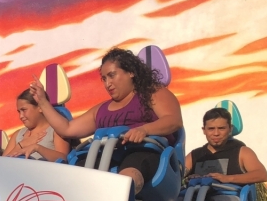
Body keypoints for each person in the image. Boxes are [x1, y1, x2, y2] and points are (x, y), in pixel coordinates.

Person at [27, 47, 183, 191]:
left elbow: (173, 120)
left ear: (130, 72)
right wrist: (42, 102)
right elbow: (67, 129)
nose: (108, 84)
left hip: (142, 152)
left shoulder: (152, 93)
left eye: (112, 75)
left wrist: (144, 130)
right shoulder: (101, 109)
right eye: (104, 78)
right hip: (105, 156)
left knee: (128, 176)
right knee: (74, 177)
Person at [2, 89, 70, 161]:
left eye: (24, 110)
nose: (20, 116)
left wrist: (37, 148)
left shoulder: (56, 130)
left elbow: (63, 159)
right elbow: (1, 162)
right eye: (19, 112)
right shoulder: (18, 134)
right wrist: (21, 145)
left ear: (40, 107)